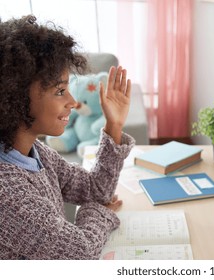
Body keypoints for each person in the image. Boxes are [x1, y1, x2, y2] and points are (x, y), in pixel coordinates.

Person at [0, 15, 133, 259]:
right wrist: (97, 213)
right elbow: (79, 254)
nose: (72, 102)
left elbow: (95, 190)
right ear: (15, 98)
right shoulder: (7, 193)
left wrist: (114, 125)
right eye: (60, 91)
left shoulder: (37, 152)